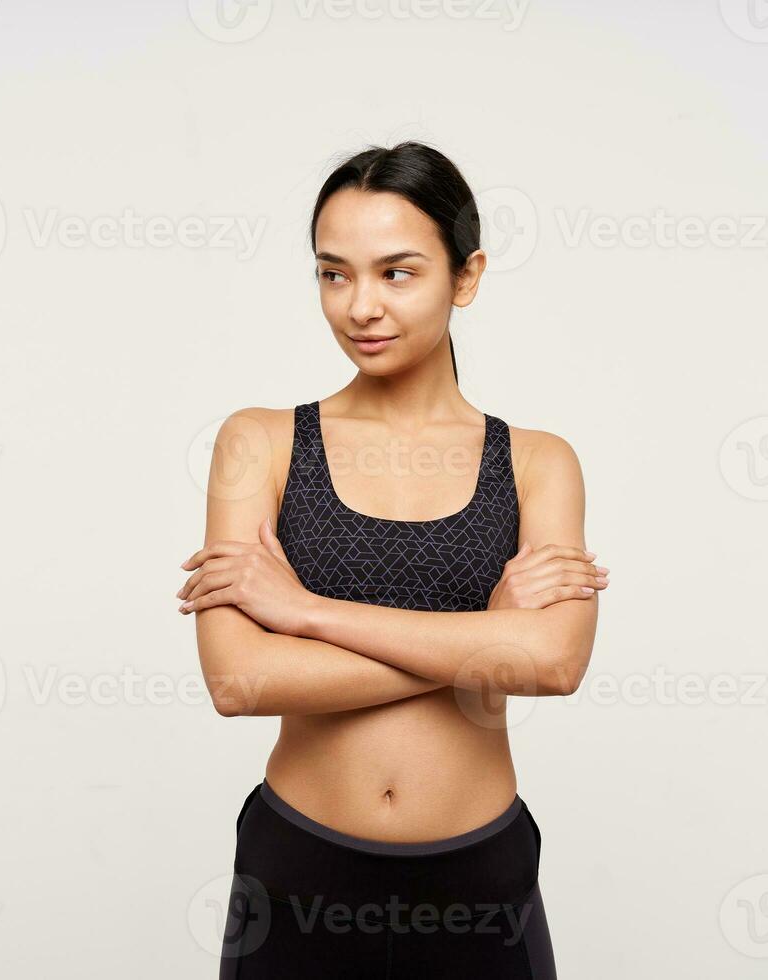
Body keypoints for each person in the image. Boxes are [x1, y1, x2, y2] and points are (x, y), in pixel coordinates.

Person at [177, 141, 605, 978]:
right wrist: (487, 639)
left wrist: (306, 614)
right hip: (299, 872)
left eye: (396, 273)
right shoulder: (257, 443)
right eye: (334, 274)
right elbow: (241, 681)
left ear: (467, 276)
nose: (360, 306)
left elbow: (554, 662)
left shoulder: (539, 462)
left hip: (480, 881)